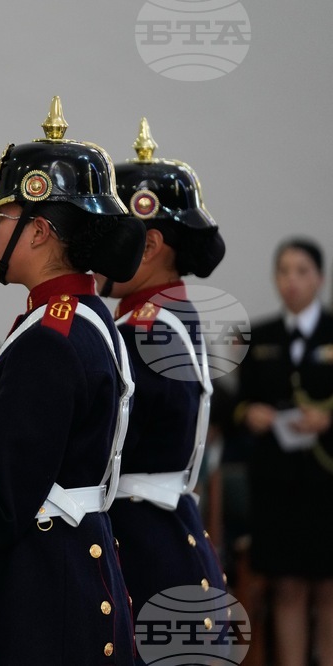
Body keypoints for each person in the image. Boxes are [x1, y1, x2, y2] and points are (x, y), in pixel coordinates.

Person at [0, 97, 146, 664]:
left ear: (39, 231)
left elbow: (5, 506)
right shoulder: (78, 318)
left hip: (38, 593)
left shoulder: (49, 343)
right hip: (67, 569)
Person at [95, 119, 227, 660]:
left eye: (110, 239)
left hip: (141, 542)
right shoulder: (172, 316)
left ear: (148, 244)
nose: (94, 253)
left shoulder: (139, 332)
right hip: (173, 529)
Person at [235, 237, 333, 666]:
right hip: (277, 479)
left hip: (326, 479)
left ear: (320, 278)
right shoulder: (259, 336)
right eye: (283, 271)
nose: (291, 281)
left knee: (328, 587)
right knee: (287, 586)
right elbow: (236, 403)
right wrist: (249, 414)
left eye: (301, 271)